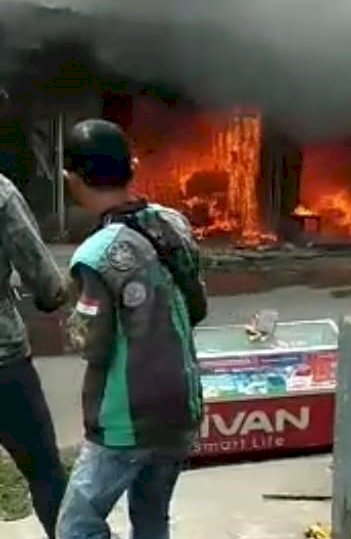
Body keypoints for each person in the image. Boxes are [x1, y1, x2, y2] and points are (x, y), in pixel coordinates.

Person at [56, 119, 207, 539]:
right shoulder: (174, 223)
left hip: (125, 420)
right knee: (152, 518)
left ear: (73, 179)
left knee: (77, 527)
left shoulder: (97, 253)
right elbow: (197, 306)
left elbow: (92, 344)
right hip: (182, 408)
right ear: (133, 167)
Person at [0, 87, 69, 539]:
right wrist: (58, 293)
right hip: (3, 362)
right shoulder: (0, 193)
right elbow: (46, 283)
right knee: (44, 471)